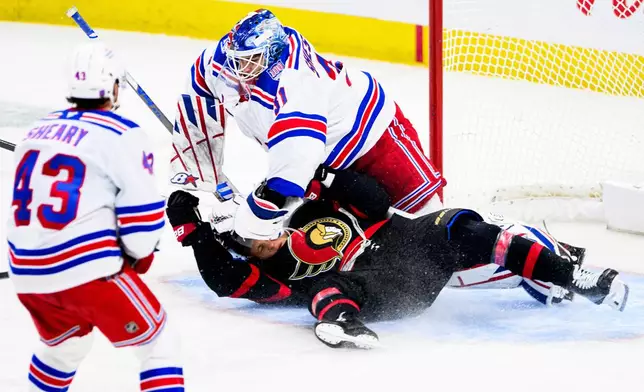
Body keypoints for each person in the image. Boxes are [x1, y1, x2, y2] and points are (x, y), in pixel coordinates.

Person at [166, 167, 629, 349]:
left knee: (469, 230)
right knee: (328, 289)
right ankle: (341, 323)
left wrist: (318, 175)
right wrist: (192, 232)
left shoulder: (306, 206)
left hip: (409, 243)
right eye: (249, 242)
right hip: (388, 285)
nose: (261, 242)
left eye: (260, 229)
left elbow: (374, 199)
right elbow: (226, 281)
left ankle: (574, 277)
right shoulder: (269, 275)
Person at [170, 8, 445, 242]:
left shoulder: (295, 81)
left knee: (433, 229)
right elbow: (200, 84)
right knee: (349, 238)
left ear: (271, 55)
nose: (238, 66)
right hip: (323, 166)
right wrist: (201, 174)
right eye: (237, 58)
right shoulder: (226, 60)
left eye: (249, 60)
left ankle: (481, 251)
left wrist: (259, 216)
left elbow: (296, 155)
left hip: (373, 140)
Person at [6, 42, 184, 391]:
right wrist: (139, 254)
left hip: (25, 271)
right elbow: (141, 225)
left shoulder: (35, 131)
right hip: (86, 270)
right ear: (114, 86)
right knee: (159, 344)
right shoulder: (123, 134)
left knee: (63, 348)